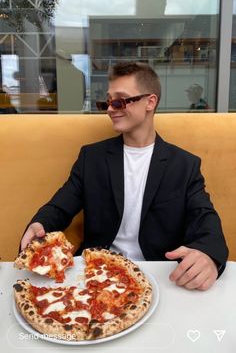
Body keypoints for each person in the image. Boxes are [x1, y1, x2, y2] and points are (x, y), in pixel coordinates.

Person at [20, 62, 228, 291]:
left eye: (119, 100)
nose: (110, 108)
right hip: (93, 274)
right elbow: (60, 206)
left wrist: (209, 255)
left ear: (150, 101)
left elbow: (204, 218)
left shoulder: (184, 165)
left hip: (158, 276)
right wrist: (39, 224)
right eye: (107, 101)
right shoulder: (92, 157)